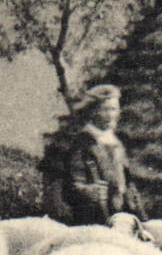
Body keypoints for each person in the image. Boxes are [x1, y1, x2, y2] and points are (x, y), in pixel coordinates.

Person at [55, 84, 144, 226]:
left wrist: (142, 220)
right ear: (93, 112)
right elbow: (70, 189)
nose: (110, 115)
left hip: (120, 219)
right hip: (93, 220)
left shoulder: (116, 143)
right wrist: (89, 191)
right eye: (105, 110)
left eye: (113, 109)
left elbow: (128, 185)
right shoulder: (83, 143)